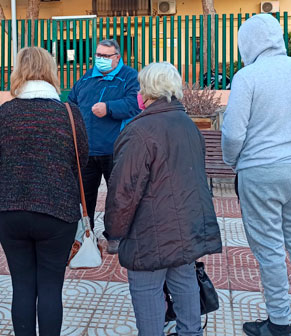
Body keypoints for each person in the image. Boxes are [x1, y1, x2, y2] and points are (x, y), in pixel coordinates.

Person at [221, 14, 291, 336]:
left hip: (259, 170)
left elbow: (233, 132)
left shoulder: (247, 76)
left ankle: (279, 322)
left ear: (247, 42)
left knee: (268, 247)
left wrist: (233, 161)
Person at [104, 62, 222, 336]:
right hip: (185, 230)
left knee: (148, 297)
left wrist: (114, 233)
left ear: (147, 90)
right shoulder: (188, 125)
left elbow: (123, 191)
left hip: (148, 236)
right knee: (185, 285)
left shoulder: (138, 131)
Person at [0, 47, 89, 336]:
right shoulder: (68, 113)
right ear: (51, 71)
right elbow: (81, 157)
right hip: (57, 209)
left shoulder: (7, 111)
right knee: (50, 286)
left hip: (10, 209)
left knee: (21, 285)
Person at [67, 39, 140, 253]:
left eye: (106, 56)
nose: (101, 60)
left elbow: (136, 104)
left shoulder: (129, 77)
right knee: (84, 195)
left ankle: (115, 235)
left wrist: (109, 108)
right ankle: (84, 234)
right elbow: (72, 102)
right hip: (87, 150)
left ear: (117, 57)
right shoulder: (87, 78)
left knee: (117, 195)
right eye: (98, 55)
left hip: (115, 148)